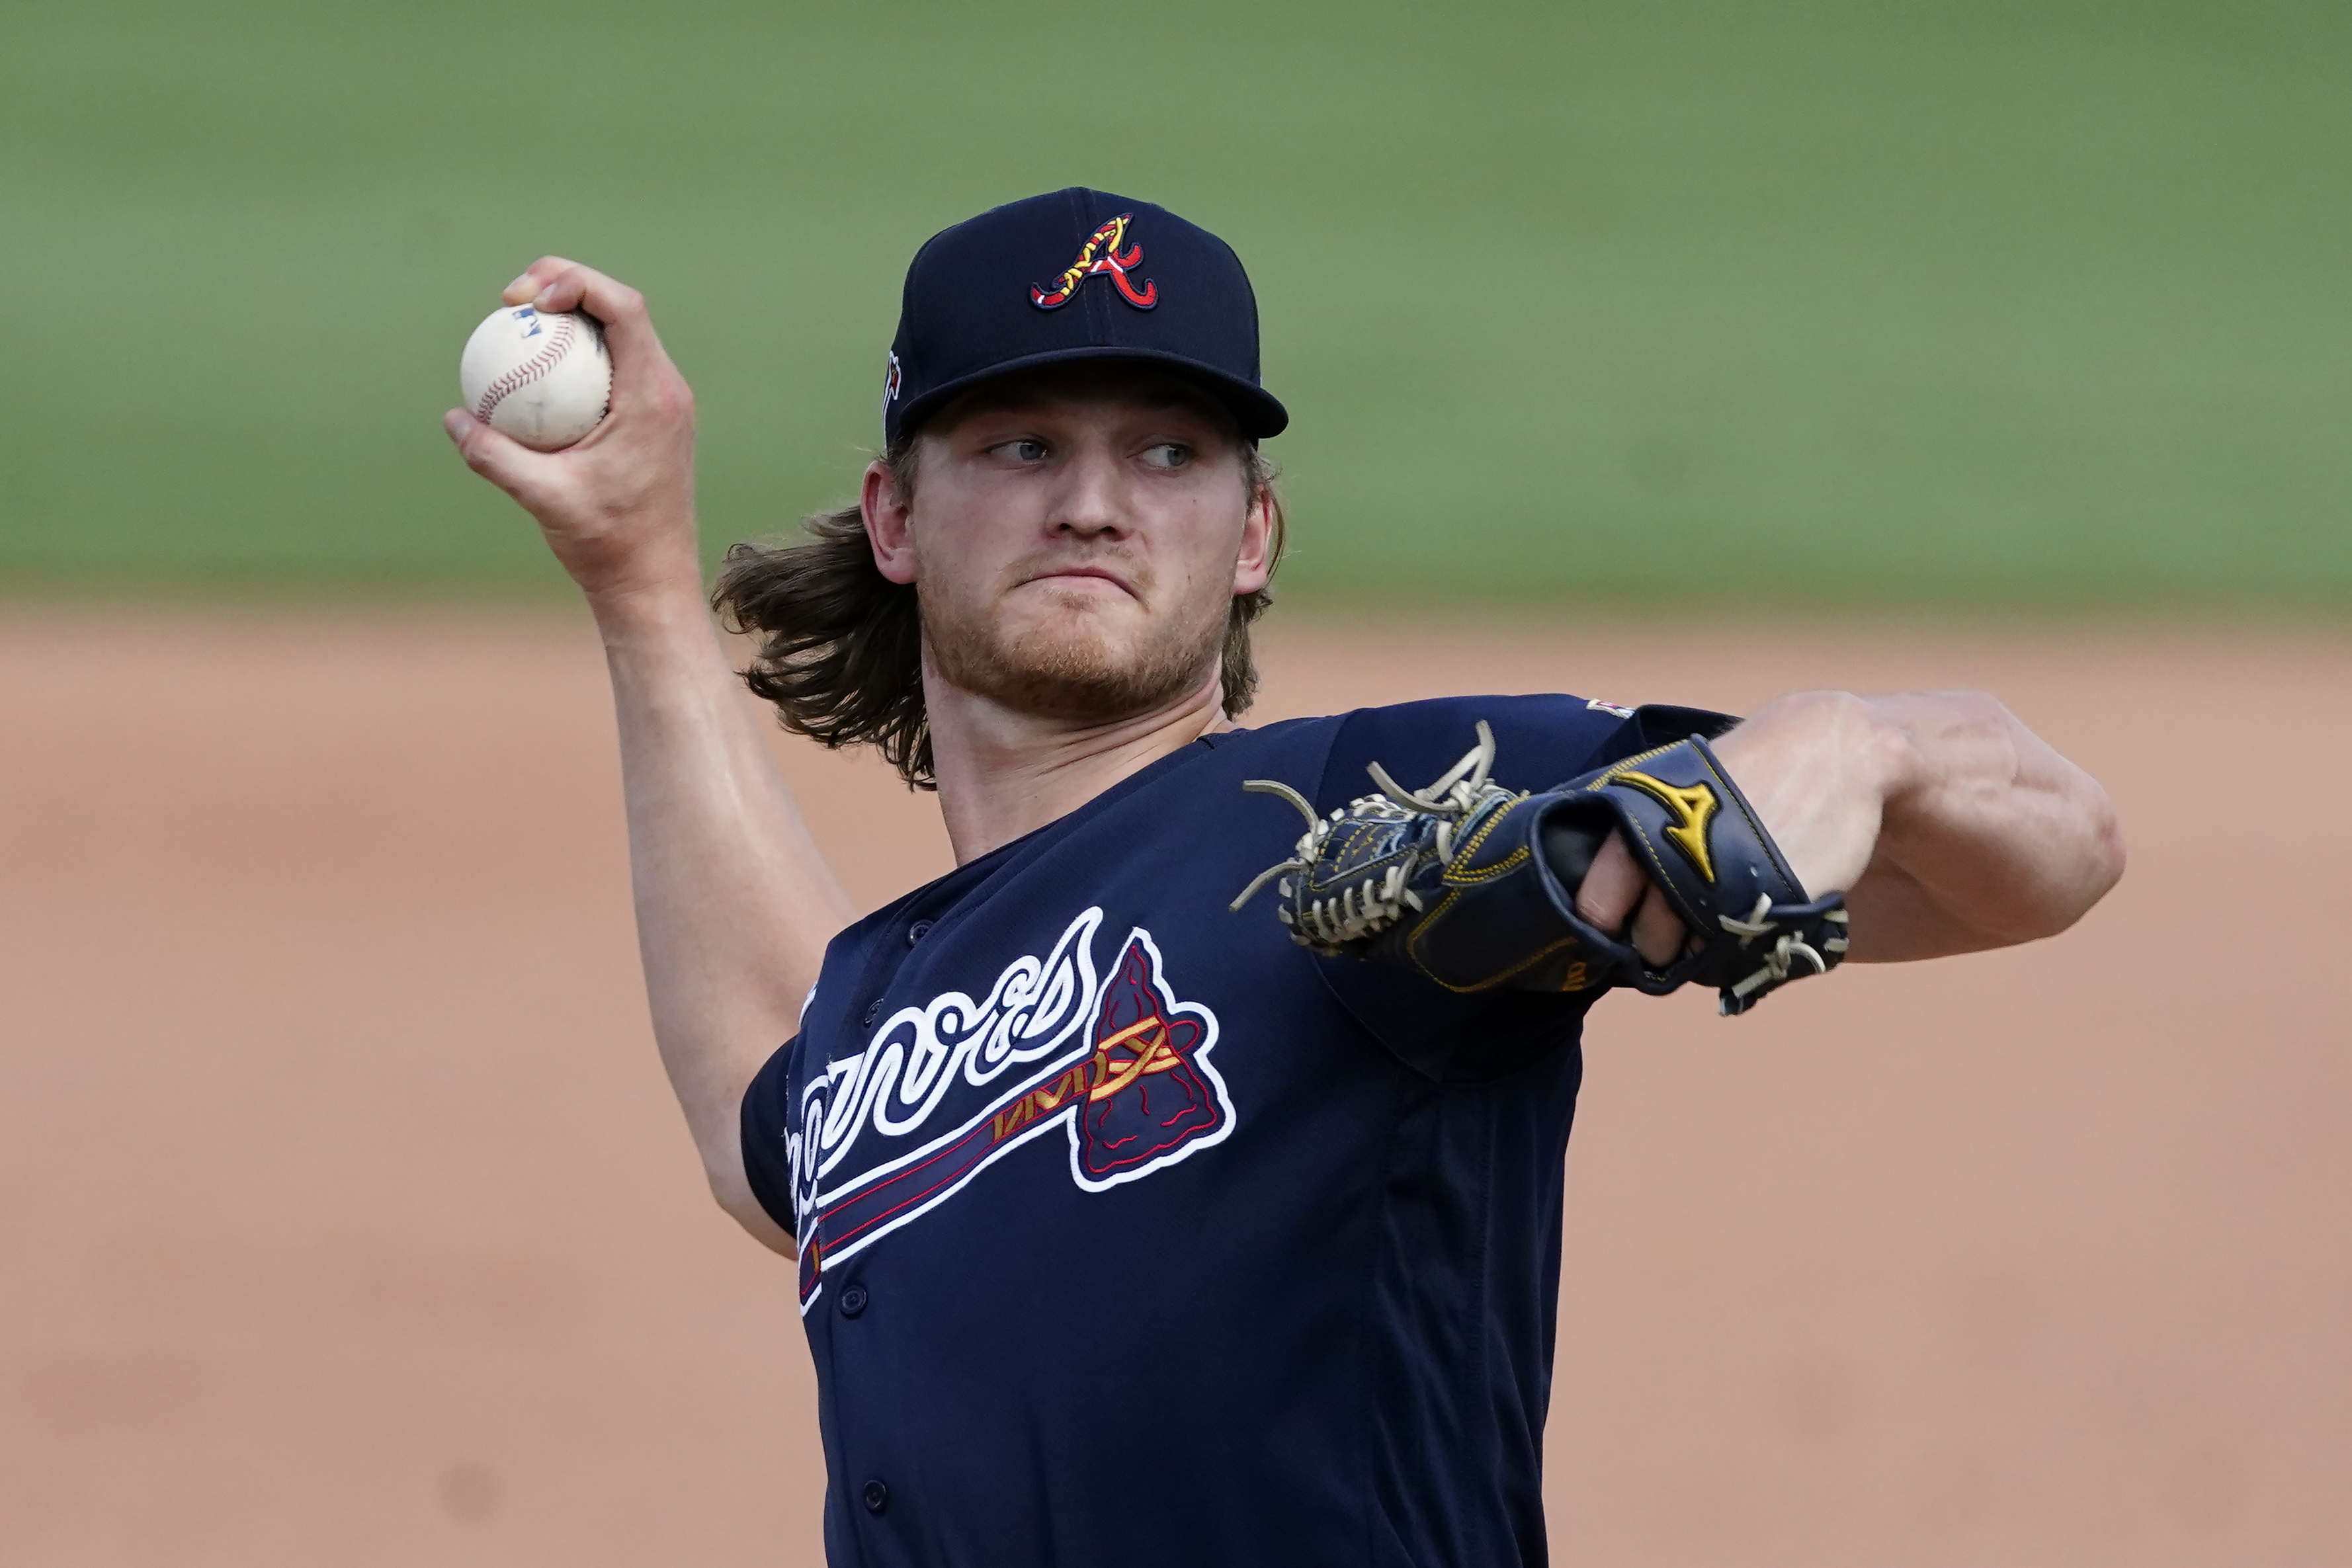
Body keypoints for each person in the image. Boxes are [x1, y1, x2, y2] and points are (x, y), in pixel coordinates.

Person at [444, 188, 2124, 1567]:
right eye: (1019, 446)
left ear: (1252, 534)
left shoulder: (1357, 807)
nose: (1094, 500)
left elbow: (2044, 854)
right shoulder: (887, 1011)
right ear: (894, 518)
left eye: (1169, 453)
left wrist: (1852, 748)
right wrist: (637, 573)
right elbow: (777, 1120)